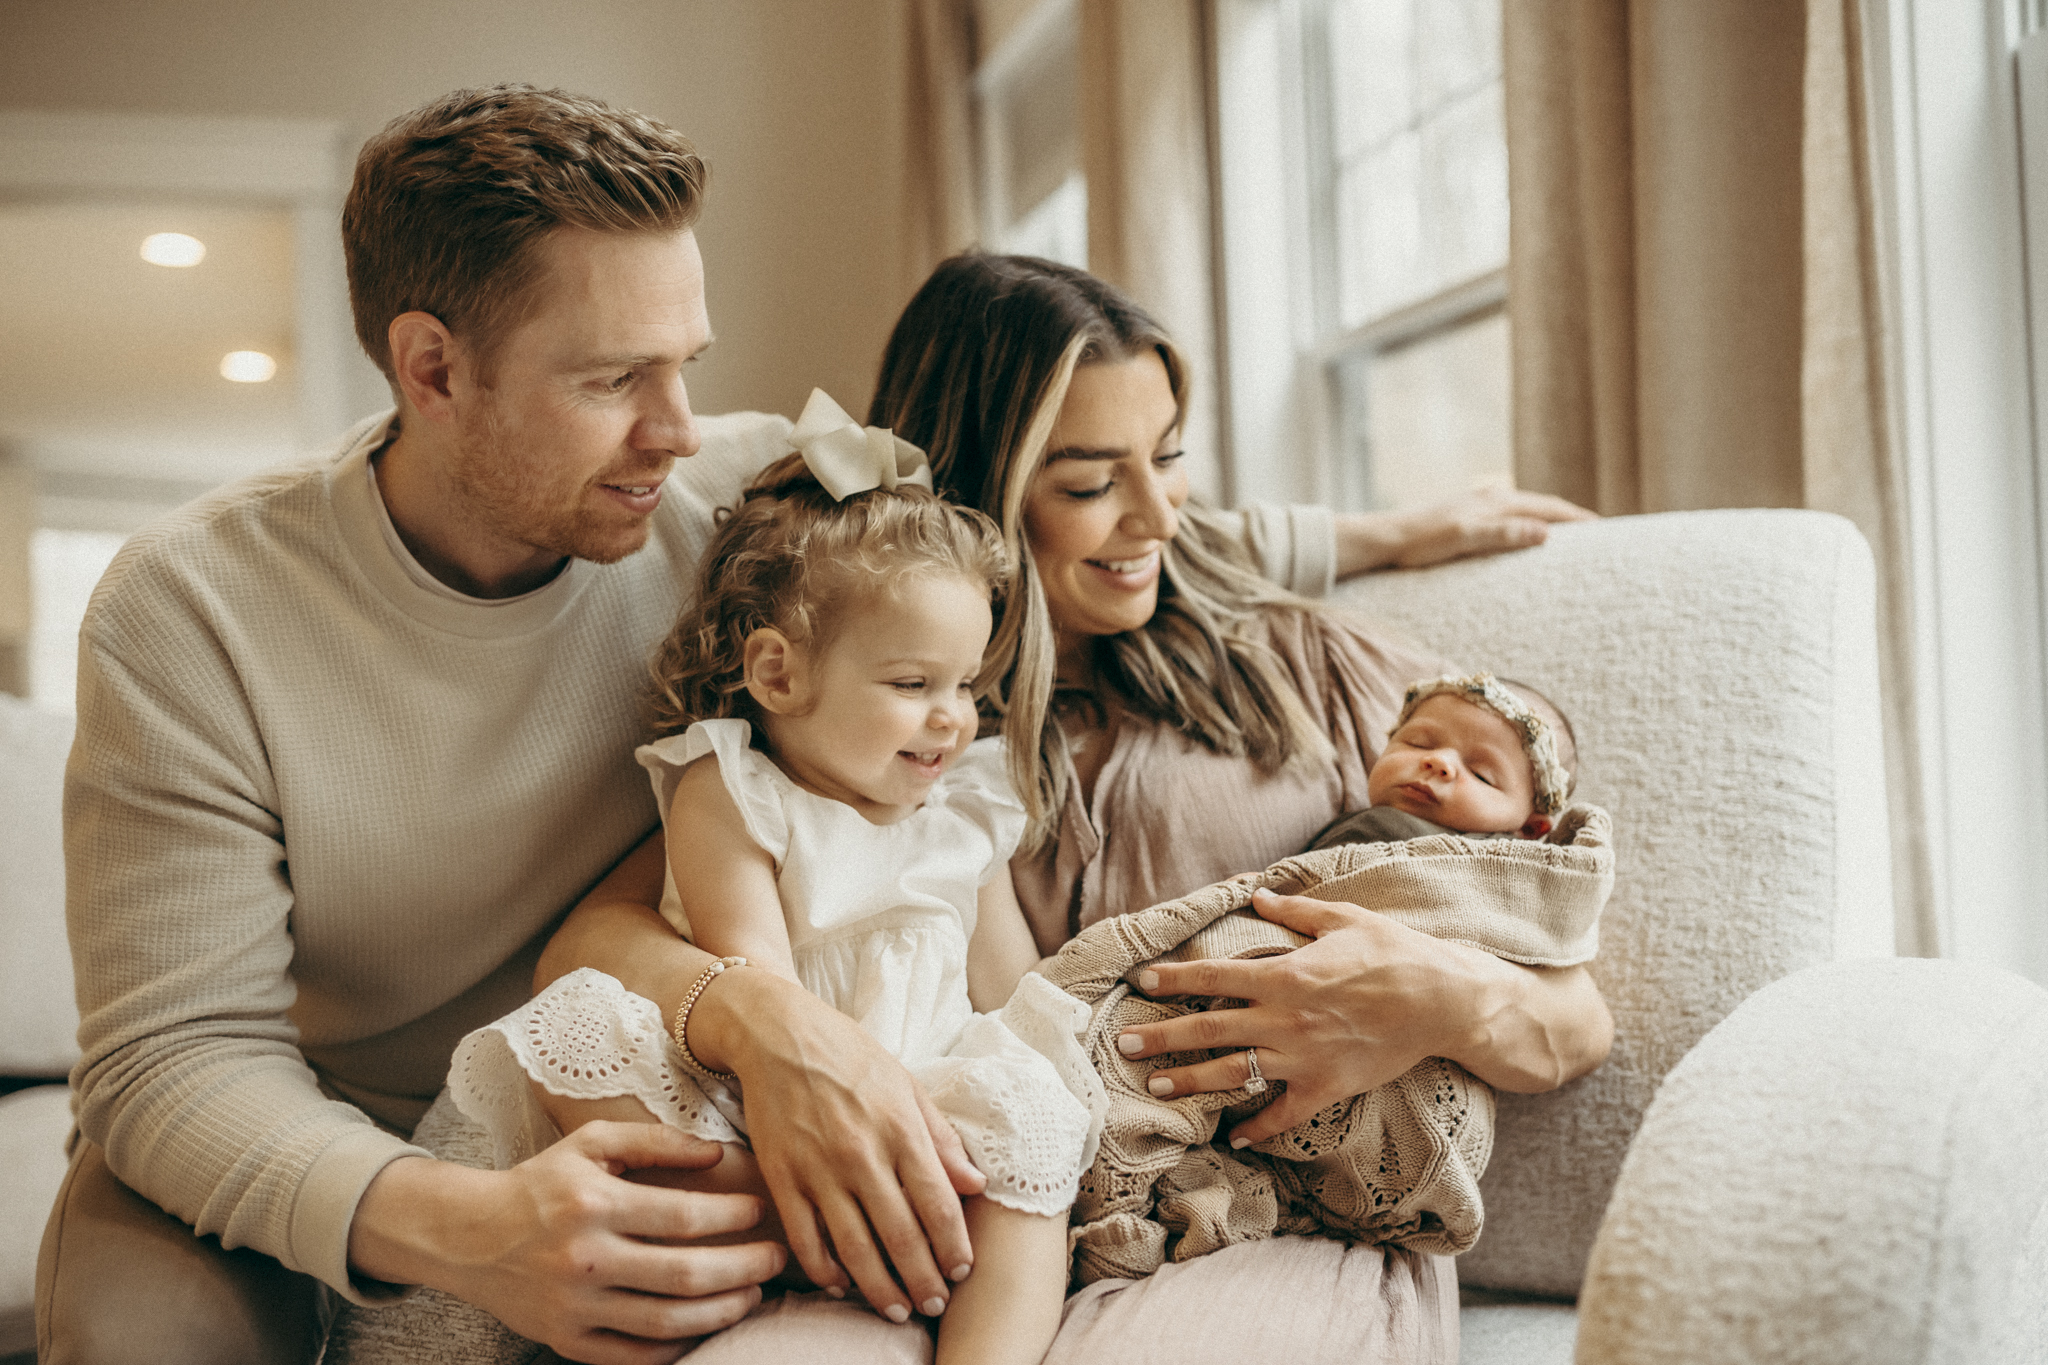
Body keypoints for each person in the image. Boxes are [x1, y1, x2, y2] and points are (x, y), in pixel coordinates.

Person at [39, 80, 1593, 1364]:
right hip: (339, 1127)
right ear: (429, 367)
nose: (678, 429)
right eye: (611, 379)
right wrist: (471, 1228)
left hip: (669, 1096)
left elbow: (1071, 513)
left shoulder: (754, 500)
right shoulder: (191, 609)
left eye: (686, 366)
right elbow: (173, 1062)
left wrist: (1380, 533)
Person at [507, 252, 1614, 1364]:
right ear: (982, 491)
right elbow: (604, 935)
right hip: (967, 1206)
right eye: (1086, 484)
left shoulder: (1308, 666)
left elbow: (1568, 992)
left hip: (1258, 1223)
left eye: (1170, 459)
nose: (1154, 519)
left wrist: (1444, 996)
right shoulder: (885, 735)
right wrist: (776, 1028)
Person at [564, 411, 1095, 1365]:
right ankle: (737, 1266)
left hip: (923, 1092)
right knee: (580, 1043)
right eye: (911, 681)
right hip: (757, 1101)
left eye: (966, 685)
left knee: (1033, 1123)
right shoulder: (730, 789)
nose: (950, 718)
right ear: (779, 670)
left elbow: (1011, 994)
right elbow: (756, 982)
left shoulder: (961, 824)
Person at [1310, 671, 1581, 848]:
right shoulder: (1366, 827)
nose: (1438, 760)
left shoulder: (1520, 869)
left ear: (1530, 828)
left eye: (1481, 775)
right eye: (1418, 743)